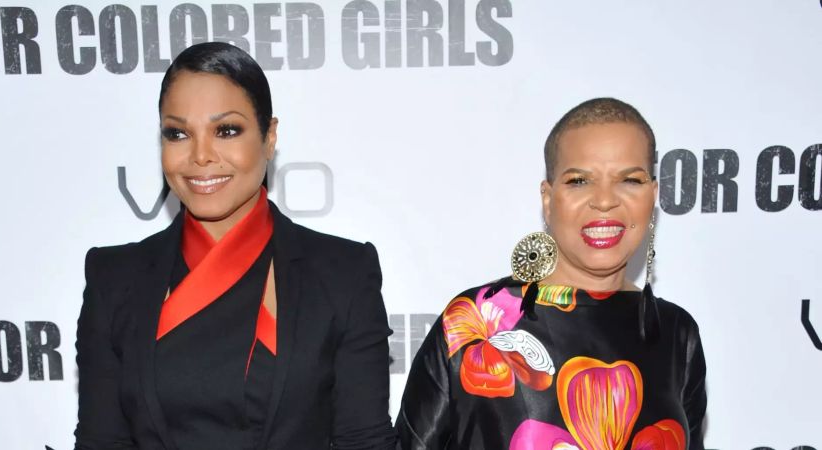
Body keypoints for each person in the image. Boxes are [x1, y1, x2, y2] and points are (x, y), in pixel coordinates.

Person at [74, 42, 395, 450]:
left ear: (269, 136)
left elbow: (364, 442)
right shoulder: (113, 278)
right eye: (178, 133)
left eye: (226, 130)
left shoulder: (343, 273)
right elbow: (102, 442)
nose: (201, 156)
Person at [395, 98, 707, 450]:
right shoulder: (477, 320)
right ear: (548, 198)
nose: (604, 201)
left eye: (629, 180)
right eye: (579, 181)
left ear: (652, 195)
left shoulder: (676, 333)